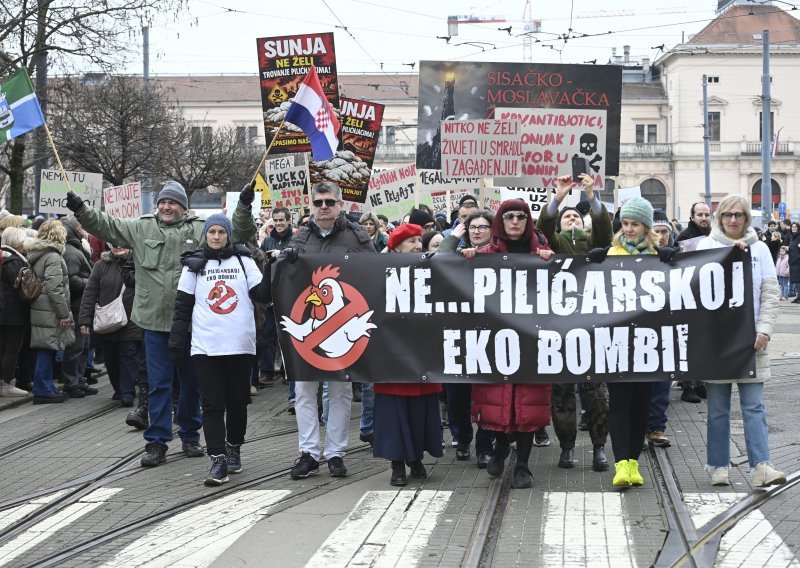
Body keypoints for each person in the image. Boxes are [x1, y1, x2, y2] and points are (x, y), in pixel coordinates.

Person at [233, 180, 375, 479]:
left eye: (329, 202)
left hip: (343, 330)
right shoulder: (300, 237)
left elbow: (374, 274)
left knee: (341, 391)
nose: (324, 207)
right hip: (310, 329)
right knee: (304, 391)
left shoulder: (358, 236)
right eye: (318, 202)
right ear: (312, 206)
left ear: (340, 205)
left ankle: (336, 452)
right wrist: (286, 261)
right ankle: (308, 452)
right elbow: (282, 277)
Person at [66, 181, 206, 467]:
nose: (166, 207)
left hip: (191, 324)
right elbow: (107, 226)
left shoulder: (199, 228)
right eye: (163, 202)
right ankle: (157, 443)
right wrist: (81, 209)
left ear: (183, 207)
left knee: (191, 384)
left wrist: (242, 206)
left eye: (173, 203)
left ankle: (191, 436)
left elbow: (234, 232)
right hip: (153, 323)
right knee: (158, 385)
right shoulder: (141, 228)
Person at [170, 214, 272, 486]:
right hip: (206, 346)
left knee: (237, 403)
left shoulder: (244, 260)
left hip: (240, 345)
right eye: (212, 232)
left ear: (228, 234)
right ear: (206, 235)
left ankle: (234, 447)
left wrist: (273, 269)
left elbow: (262, 295)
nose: (216, 236)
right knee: (212, 405)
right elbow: (182, 308)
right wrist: (176, 343)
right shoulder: (193, 265)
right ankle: (218, 459)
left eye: (221, 232)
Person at [697, 195, 786, 487]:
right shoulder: (706, 247)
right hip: (718, 343)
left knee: (754, 406)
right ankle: (719, 465)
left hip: (752, 340)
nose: (733, 220)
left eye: (739, 215)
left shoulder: (760, 249)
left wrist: (765, 329)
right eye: (727, 215)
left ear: (747, 219)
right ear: (719, 218)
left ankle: (761, 465)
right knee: (718, 408)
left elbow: (770, 294)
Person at [465, 198, 554, 488]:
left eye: (521, 217)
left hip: (530, 342)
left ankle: (524, 465)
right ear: (500, 221)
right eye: (509, 217)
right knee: (499, 403)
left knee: (527, 405)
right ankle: (501, 446)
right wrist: (463, 256)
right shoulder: (483, 254)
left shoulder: (542, 254)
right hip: (495, 343)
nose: (515, 221)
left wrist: (552, 263)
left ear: (528, 221)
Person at [537, 174, 612, 472]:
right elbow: (542, 227)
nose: (571, 219)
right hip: (560, 328)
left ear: (583, 224)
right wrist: (559, 197)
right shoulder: (554, 244)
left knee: (596, 394)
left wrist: (591, 195)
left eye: (575, 216)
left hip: (591, 327)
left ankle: (598, 447)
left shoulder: (592, 244)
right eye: (566, 216)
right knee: (562, 393)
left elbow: (605, 235)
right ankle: (566, 447)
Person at [596, 196, 660, 487]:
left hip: (650, 343)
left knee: (642, 404)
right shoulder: (610, 253)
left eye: (635, 224)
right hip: (618, 341)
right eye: (625, 223)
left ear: (646, 227)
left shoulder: (658, 254)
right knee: (621, 402)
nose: (630, 229)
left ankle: (634, 462)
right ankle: (621, 462)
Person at [374, 223, 443, 485]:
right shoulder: (378, 271)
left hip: (422, 353)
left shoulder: (431, 267)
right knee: (394, 411)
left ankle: (415, 458)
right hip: (390, 354)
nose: (417, 246)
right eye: (411, 241)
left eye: (419, 241)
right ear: (396, 246)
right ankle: (397, 464)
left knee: (419, 410)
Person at [78, 244, 142, 406]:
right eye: (114, 244)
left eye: (122, 243)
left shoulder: (139, 262)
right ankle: (119, 389)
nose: (118, 246)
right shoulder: (101, 265)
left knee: (128, 356)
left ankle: (128, 392)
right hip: (107, 321)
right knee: (111, 359)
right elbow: (90, 292)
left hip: (132, 320)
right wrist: (85, 319)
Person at [27, 220, 74, 404]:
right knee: (47, 348)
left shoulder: (37, 254)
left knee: (44, 348)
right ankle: (43, 389)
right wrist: (64, 313)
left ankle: (44, 387)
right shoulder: (53, 257)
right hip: (50, 309)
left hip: (40, 307)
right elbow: (55, 288)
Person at [646, 210, 679, 450]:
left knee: (661, 384)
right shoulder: (635, 256)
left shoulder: (681, 258)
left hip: (666, 330)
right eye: (656, 232)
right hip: (640, 330)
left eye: (665, 232)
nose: (661, 236)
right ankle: (639, 428)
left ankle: (657, 428)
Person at [0, 227, 34, 397]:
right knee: (12, 349)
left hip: (4, 310)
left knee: (3, 348)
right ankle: (7, 383)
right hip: (13, 312)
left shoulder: (3, 257)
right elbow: (22, 288)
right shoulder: (13, 261)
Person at [788, 222, 800, 304]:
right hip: (793, 261)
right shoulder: (791, 237)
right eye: (792, 227)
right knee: (796, 280)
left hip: (798, 261)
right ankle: (798, 296)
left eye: (795, 227)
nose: (794, 228)